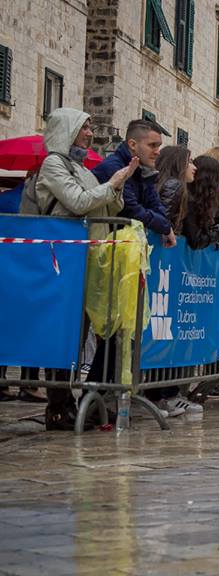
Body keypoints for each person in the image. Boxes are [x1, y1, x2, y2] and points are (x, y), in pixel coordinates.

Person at [22, 108, 137, 429]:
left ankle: (70, 400)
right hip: (60, 260)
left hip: (85, 261)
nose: (90, 133)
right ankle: (58, 405)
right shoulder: (53, 164)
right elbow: (78, 202)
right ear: (67, 130)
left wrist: (117, 187)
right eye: (84, 127)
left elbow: (108, 205)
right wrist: (111, 183)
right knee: (62, 330)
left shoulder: (81, 168)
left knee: (79, 330)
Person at [92, 119, 176, 247]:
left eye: (159, 146)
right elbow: (131, 211)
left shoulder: (144, 170)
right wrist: (164, 226)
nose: (158, 152)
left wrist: (165, 224)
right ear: (132, 145)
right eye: (152, 145)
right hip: (106, 245)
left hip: (123, 246)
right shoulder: (114, 167)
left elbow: (155, 204)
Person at [156, 145, 195, 234]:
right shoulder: (175, 185)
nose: (194, 167)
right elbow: (164, 219)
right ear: (178, 163)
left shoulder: (161, 181)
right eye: (189, 162)